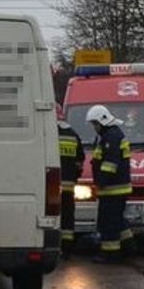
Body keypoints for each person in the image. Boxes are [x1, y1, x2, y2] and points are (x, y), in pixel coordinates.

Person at [87, 105, 133, 264]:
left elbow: (110, 164)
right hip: (116, 189)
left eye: (95, 124)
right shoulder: (111, 135)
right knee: (118, 220)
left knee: (109, 223)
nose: (94, 127)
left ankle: (110, 255)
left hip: (113, 189)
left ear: (102, 121)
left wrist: (101, 182)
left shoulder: (111, 137)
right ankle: (129, 247)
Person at [56, 105, 85, 258]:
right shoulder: (73, 134)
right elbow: (80, 160)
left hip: (51, 186)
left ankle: (54, 246)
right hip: (69, 185)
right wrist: (75, 176)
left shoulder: (49, 133)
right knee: (68, 216)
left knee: (52, 216)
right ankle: (67, 249)